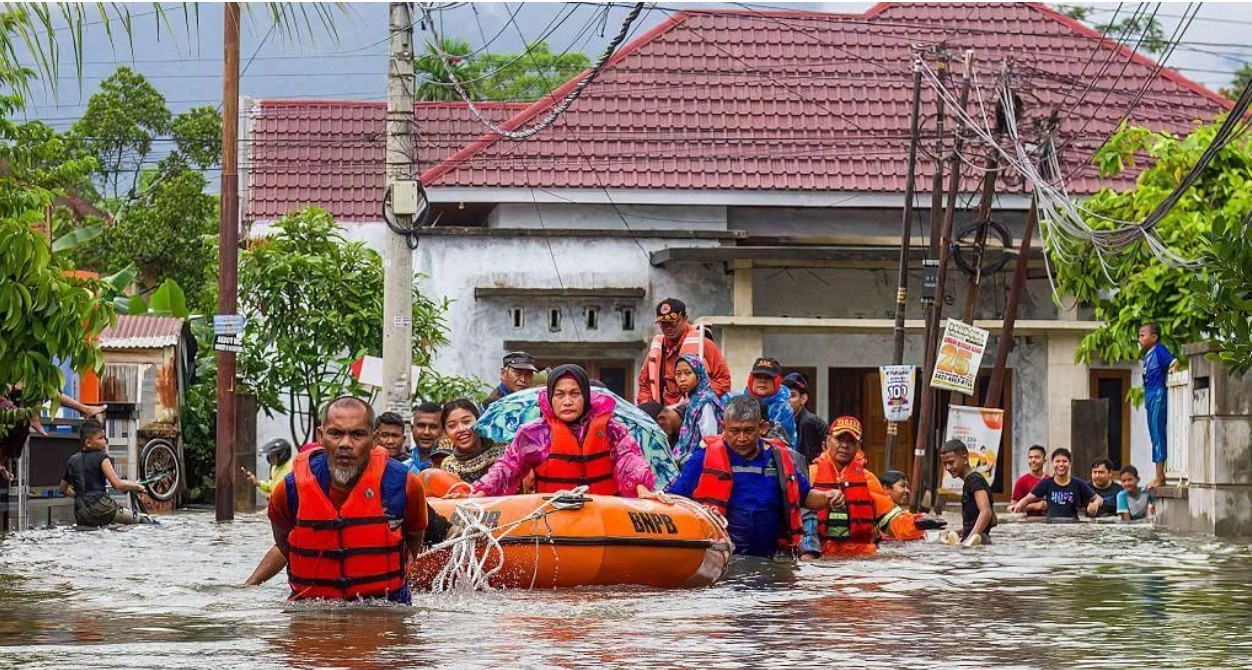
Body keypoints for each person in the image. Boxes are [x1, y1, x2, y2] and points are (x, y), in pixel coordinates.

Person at [265, 396, 427, 603]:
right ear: (321, 436)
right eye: (335, 433)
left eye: (358, 435)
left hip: (386, 603)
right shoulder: (289, 489)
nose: (345, 444)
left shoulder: (405, 485)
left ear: (374, 439)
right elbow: (283, 540)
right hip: (312, 606)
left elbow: (414, 535)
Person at [654, 395, 838, 558]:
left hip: (772, 558)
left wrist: (828, 497)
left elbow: (806, 496)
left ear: (763, 428)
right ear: (724, 428)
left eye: (749, 431)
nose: (742, 438)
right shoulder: (704, 458)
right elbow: (675, 499)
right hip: (722, 557)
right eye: (734, 431)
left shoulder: (780, 459)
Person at [470, 364, 656, 497]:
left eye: (575, 394)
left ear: (585, 397)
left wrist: (641, 486)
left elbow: (629, 458)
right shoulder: (534, 433)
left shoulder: (611, 428)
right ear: (551, 398)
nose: (567, 401)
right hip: (554, 516)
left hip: (605, 513)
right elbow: (508, 466)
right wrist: (482, 489)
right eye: (560, 394)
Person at [810, 416, 934, 554]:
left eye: (851, 441)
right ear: (828, 441)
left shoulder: (868, 479)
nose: (844, 445)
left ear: (858, 446)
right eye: (839, 439)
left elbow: (891, 519)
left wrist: (918, 524)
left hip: (860, 557)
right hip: (819, 555)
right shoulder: (810, 475)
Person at [636, 298, 731, 406]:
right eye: (663, 324)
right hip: (665, 416)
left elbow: (723, 381)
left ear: (685, 318)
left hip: (696, 413)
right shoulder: (657, 350)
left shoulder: (703, 344)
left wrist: (697, 400)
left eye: (672, 323)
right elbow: (644, 386)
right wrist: (647, 406)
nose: (668, 328)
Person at [59, 420, 144, 527]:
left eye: (104, 438)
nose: (104, 441)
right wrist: (137, 487)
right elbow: (117, 484)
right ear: (88, 443)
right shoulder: (101, 457)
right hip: (103, 508)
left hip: (81, 512)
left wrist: (79, 496)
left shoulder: (72, 460)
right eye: (100, 438)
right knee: (143, 521)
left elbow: (63, 489)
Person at [1008, 448, 1102, 521]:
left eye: (1064, 461)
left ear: (1070, 464)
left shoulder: (1077, 483)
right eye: (1057, 461)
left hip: (1072, 524)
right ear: (1052, 463)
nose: (1061, 464)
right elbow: (1027, 499)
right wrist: (1019, 505)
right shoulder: (1046, 483)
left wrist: (1095, 504)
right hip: (1051, 524)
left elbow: (1099, 499)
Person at [727, 357, 798, 448]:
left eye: (768, 377)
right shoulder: (733, 403)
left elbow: (786, 445)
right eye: (758, 376)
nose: (762, 381)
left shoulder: (784, 410)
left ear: (777, 381)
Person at [1139, 322, 1178, 489]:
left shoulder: (1159, 350)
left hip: (1157, 394)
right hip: (1149, 394)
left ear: (1154, 337)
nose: (1139, 338)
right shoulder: (1147, 355)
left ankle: (1159, 476)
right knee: (1154, 435)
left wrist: (1173, 370)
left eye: (1142, 335)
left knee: (1158, 434)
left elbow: (1174, 362)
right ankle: (1157, 474)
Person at [940, 440, 996, 546]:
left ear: (965, 459)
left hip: (977, 543)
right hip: (981, 540)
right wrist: (958, 531)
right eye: (945, 464)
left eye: (951, 462)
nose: (948, 468)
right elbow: (993, 520)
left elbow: (986, 511)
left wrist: (968, 542)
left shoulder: (973, 479)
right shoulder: (973, 480)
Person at [670, 354, 723, 464]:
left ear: (698, 374)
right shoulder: (693, 399)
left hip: (699, 462)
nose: (682, 379)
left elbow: (709, 439)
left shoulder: (705, 401)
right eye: (678, 374)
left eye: (688, 373)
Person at [438, 399, 505, 485]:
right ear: (445, 432)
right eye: (452, 426)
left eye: (466, 422)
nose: (461, 429)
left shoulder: (503, 450)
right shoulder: (449, 465)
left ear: (479, 421)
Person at [783, 373, 828, 463]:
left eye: (792, 395)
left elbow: (807, 461)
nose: (786, 400)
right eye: (783, 395)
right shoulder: (781, 419)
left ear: (803, 399)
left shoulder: (808, 422)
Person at [1011, 445, 1049, 516]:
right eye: (1030, 457)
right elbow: (1012, 506)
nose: (1033, 460)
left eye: (1037, 457)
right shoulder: (1022, 481)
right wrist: (1034, 506)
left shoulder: (1050, 480)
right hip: (1027, 523)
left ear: (1044, 461)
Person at [408, 402, 443, 472]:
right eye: (421, 426)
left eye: (433, 427)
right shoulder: (403, 467)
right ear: (412, 428)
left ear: (443, 430)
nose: (426, 432)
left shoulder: (453, 468)